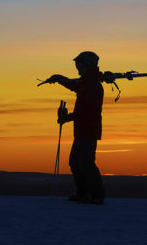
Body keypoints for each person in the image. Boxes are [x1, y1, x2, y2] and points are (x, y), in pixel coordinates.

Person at [46, 51, 105, 205]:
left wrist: (68, 117)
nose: (77, 68)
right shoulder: (87, 82)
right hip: (81, 130)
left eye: (79, 65)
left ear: (87, 65)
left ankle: (96, 195)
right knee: (75, 162)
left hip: (88, 130)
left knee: (86, 162)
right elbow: (75, 86)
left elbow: (88, 112)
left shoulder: (93, 86)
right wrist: (60, 79)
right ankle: (83, 193)